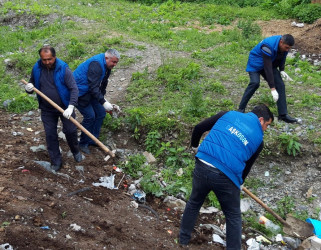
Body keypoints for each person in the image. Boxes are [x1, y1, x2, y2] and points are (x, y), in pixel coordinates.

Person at [179, 104, 274, 249]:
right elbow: (247, 166)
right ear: (261, 120)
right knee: (233, 216)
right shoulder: (259, 140)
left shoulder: (227, 114)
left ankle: (182, 240)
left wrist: (194, 147)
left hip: (203, 163)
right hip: (226, 176)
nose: (265, 129)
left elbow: (199, 128)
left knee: (194, 202)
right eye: (267, 125)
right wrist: (240, 182)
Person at [25, 45, 82, 171]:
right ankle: (56, 161)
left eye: (49, 59)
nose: (47, 62)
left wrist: (71, 107)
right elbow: (32, 83)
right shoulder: (37, 67)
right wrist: (28, 88)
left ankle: (75, 150)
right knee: (50, 135)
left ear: (54, 57)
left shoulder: (63, 69)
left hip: (65, 107)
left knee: (70, 130)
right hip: (47, 109)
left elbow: (74, 89)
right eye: (44, 60)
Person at [238, 34, 297, 123]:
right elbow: (267, 68)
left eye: (289, 48)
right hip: (256, 63)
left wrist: (282, 70)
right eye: (286, 47)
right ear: (281, 42)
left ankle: (283, 115)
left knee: (280, 84)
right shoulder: (267, 45)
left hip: (270, 62)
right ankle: (241, 109)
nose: (287, 50)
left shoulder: (284, 46)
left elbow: (282, 57)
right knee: (255, 83)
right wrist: (272, 88)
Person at [73, 49, 120, 154]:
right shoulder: (96, 65)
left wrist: (103, 101)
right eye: (113, 62)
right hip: (78, 92)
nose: (115, 64)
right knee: (90, 116)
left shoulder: (107, 66)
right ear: (106, 58)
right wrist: (103, 102)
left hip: (90, 91)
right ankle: (83, 143)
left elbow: (103, 84)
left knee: (101, 113)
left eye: (116, 62)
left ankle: (93, 139)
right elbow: (93, 87)